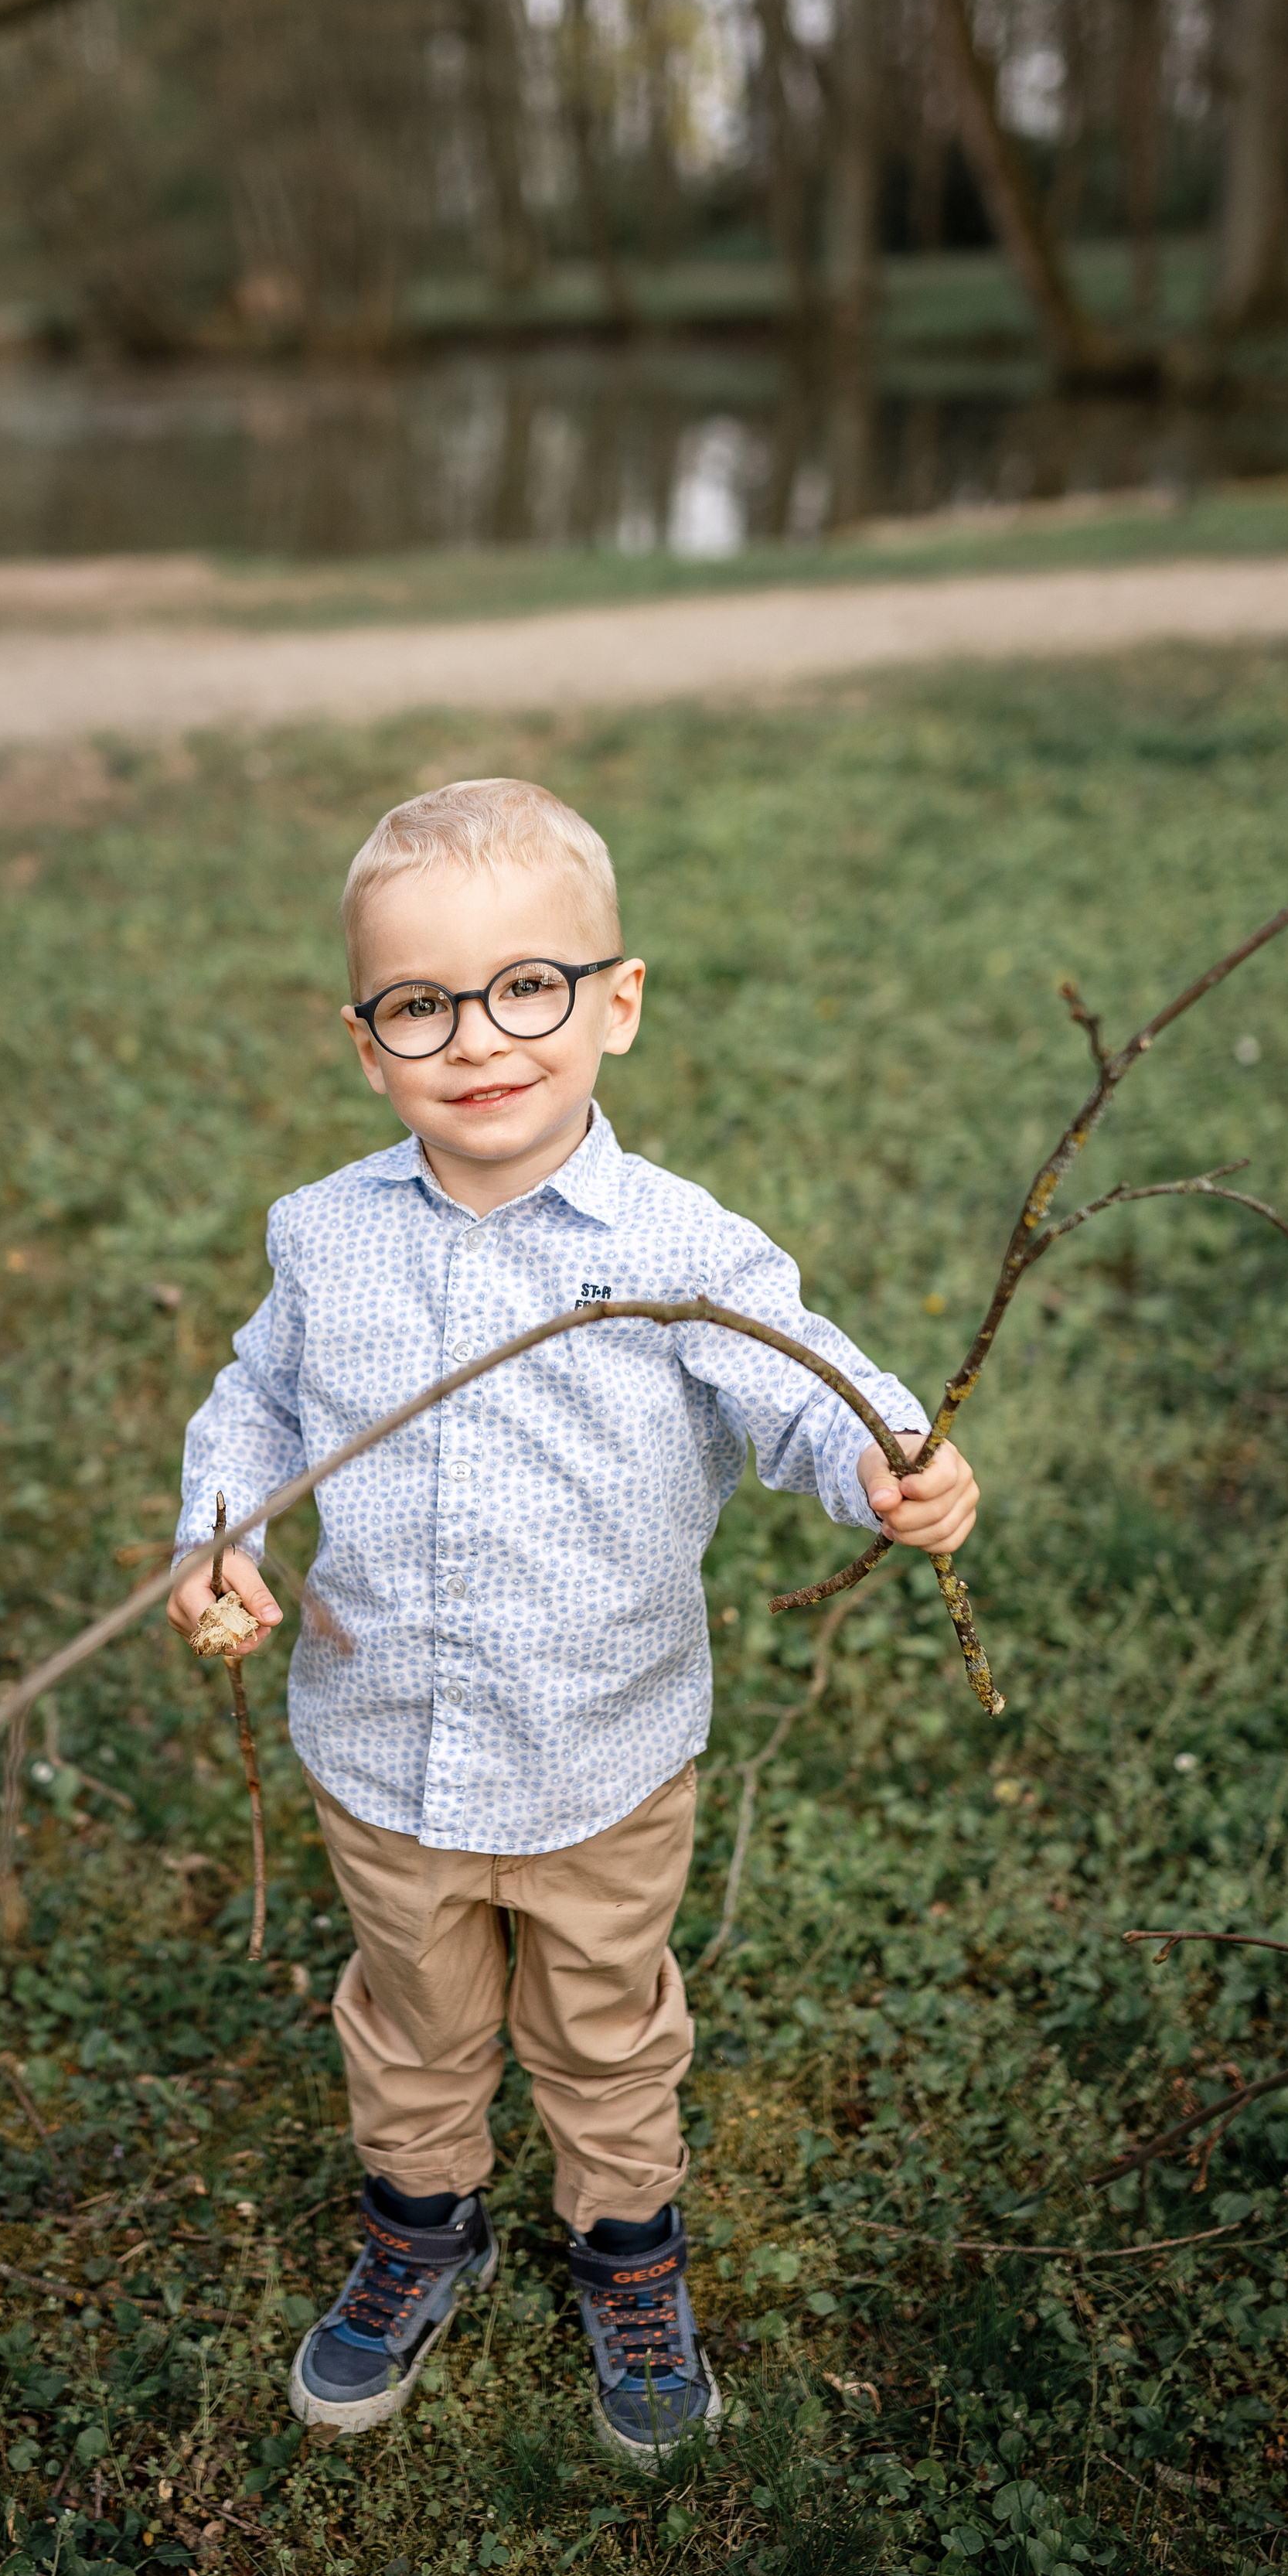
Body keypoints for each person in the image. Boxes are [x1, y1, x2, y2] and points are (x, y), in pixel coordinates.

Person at [165, 779, 977, 2460]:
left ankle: (625, 2247)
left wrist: (882, 1457)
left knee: (602, 2028)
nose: (477, 1037)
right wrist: (222, 1528)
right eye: (420, 1004)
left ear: (616, 1002)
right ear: (365, 1042)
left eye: (527, 986)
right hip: (381, 1739)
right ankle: (422, 2223)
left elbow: (796, 1384)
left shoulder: (677, 1245)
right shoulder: (325, 1236)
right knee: (413, 2018)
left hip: (602, 1750)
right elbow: (258, 1400)